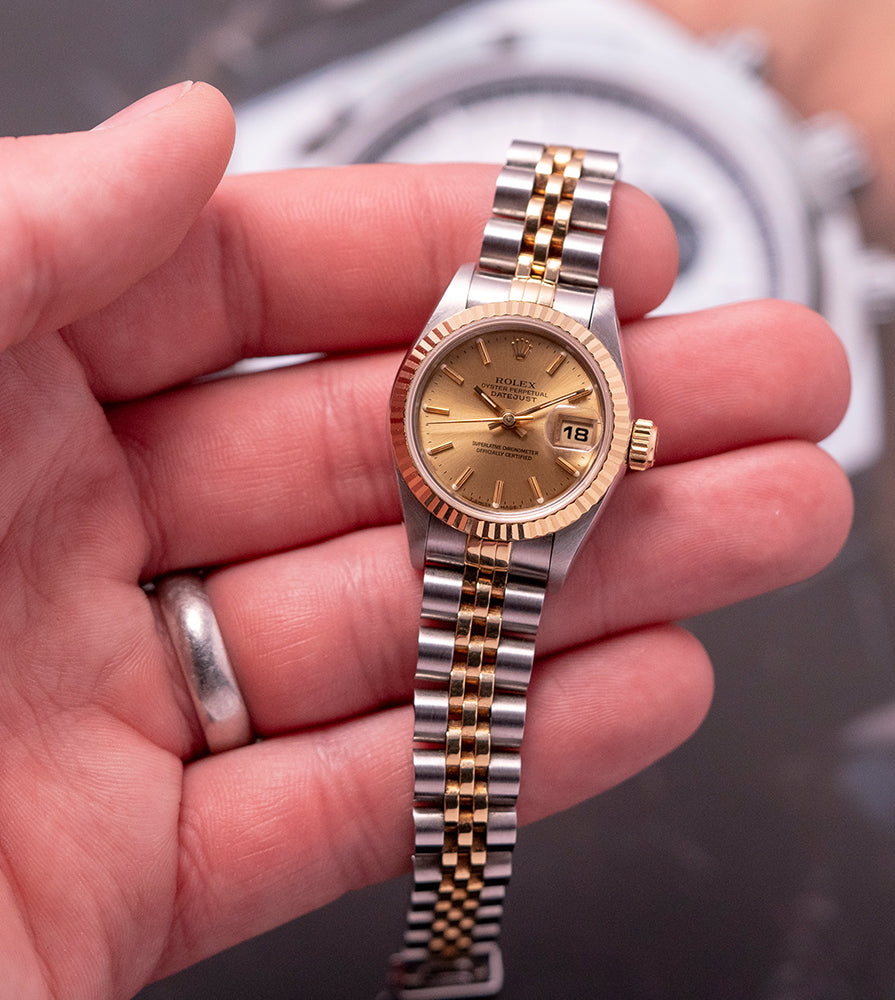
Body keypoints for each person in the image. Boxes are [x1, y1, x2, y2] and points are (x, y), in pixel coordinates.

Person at [0, 81, 852, 1000]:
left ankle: (448, 954)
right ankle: (446, 955)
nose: (518, 424)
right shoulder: (467, 362)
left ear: (625, 446)